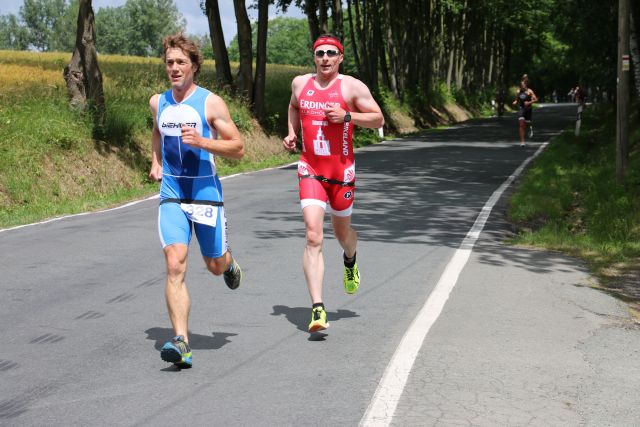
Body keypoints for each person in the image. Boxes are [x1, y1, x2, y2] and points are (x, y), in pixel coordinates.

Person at [148, 33, 244, 368]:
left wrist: (203, 141)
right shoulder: (157, 102)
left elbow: (238, 148)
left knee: (214, 266)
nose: (174, 68)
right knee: (175, 263)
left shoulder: (210, 103)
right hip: (173, 192)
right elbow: (158, 131)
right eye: (169, 62)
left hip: (205, 193)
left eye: (181, 62)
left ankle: (228, 263)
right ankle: (181, 342)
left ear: (194, 66)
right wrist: (156, 161)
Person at [282, 34, 384, 333]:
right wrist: (292, 132)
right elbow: (293, 107)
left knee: (342, 234)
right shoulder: (300, 83)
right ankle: (317, 308)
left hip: (341, 173)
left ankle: (350, 258)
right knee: (313, 235)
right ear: (314, 57)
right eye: (319, 53)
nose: (325, 58)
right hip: (310, 168)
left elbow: (378, 119)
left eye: (331, 53)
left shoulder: (351, 87)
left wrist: (348, 116)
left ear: (340, 57)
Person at [512, 75, 538, 146]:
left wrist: (529, 102)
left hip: (528, 109)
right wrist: (515, 102)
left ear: (526, 85)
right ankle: (522, 142)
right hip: (521, 108)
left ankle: (530, 127)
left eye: (523, 85)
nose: (522, 87)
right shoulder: (518, 91)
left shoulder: (530, 91)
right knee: (521, 124)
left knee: (527, 122)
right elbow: (517, 99)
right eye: (521, 85)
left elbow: (536, 99)